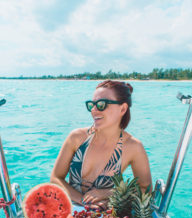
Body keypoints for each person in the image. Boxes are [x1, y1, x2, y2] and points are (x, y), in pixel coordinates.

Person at [50, 80, 152, 210]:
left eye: (101, 104)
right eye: (92, 105)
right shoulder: (76, 137)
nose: (94, 110)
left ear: (123, 109)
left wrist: (109, 193)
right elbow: (56, 178)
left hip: (103, 216)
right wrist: (83, 201)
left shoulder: (133, 147)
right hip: (68, 209)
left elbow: (146, 190)